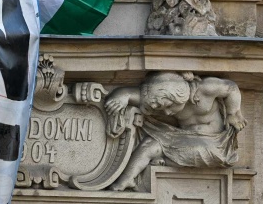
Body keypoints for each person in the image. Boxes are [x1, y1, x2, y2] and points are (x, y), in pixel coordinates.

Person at [104, 71, 247, 191]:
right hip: (182, 137)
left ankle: (164, 160)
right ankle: (125, 180)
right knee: (149, 145)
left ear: (177, 96)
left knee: (199, 150)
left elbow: (231, 88)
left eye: (168, 106)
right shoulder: (163, 98)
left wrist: (233, 113)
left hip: (214, 143)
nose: (166, 112)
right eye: (161, 108)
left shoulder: (205, 89)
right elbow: (128, 94)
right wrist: (121, 97)